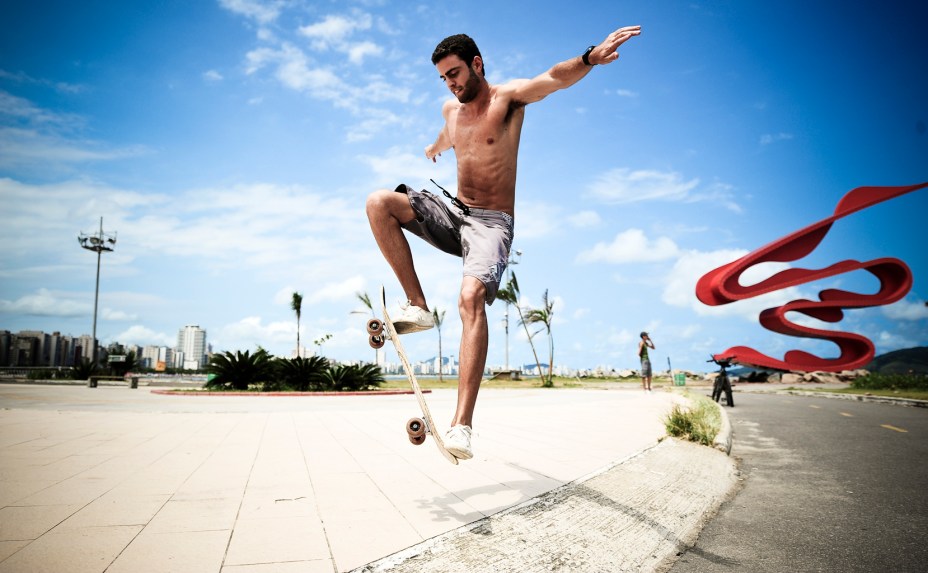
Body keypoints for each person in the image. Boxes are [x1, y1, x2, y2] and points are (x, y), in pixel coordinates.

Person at [366, 26, 642, 460]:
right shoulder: (450, 110)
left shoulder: (508, 99)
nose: (451, 84)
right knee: (379, 202)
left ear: (477, 64)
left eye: (455, 73)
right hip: (453, 211)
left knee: (470, 297)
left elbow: (554, 78)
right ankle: (417, 306)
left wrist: (589, 58)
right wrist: (435, 146)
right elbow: (447, 133)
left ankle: (462, 427)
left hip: (491, 225)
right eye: (443, 78)